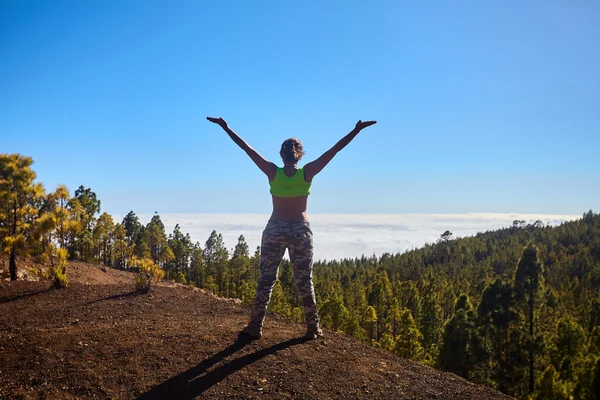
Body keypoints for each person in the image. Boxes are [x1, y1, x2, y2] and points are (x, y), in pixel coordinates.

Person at [207, 116, 377, 340]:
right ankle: (312, 328)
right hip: (300, 230)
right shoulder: (307, 173)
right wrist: (356, 131)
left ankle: (255, 327)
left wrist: (226, 127)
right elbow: (334, 150)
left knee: (266, 281)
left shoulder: (272, 172)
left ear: (281, 155)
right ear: (300, 154)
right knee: (305, 281)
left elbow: (246, 148)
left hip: (274, 229)